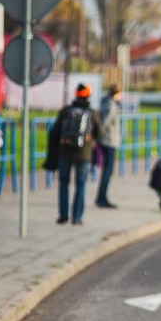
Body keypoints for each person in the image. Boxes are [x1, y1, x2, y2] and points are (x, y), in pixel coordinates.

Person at [48, 83, 103, 225]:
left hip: (65, 152)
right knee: (81, 184)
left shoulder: (66, 111)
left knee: (64, 183)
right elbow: (100, 133)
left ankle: (63, 215)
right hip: (83, 153)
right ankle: (77, 217)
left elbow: (55, 131)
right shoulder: (92, 112)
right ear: (88, 96)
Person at [95, 82, 122, 208]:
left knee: (107, 170)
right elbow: (103, 124)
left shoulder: (106, 103)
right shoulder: (111, 106)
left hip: (107, 140)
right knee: (107, 171)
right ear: (116, 94)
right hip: (108, 141)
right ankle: (101, 198)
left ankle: (102, 197)